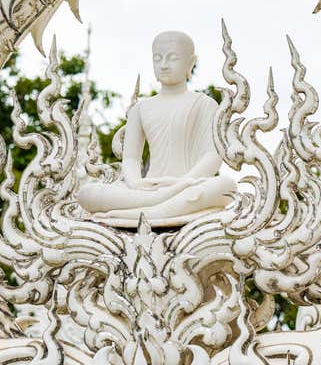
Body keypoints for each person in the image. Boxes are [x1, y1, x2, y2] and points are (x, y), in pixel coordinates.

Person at [78, 30, 236, 225]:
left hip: (188, 185)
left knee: (226, 187)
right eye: (157, 58)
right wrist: (135, 183)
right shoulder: (141, 108)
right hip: (148, 188)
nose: (164, 65)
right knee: (86, 193)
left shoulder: (205, 104)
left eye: (172, 58)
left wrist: (182, 182)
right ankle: (157, 207)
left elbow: (213, 156)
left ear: (190, 63)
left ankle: (142, 213)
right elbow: (131, 158)